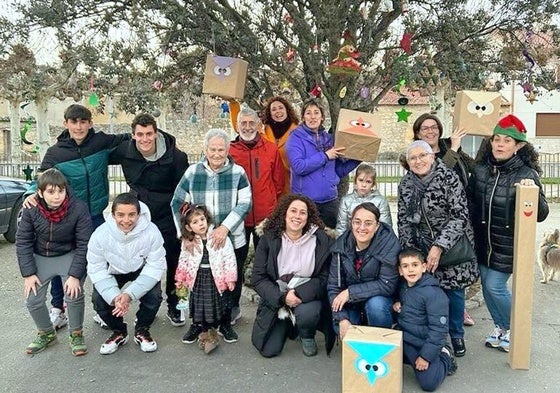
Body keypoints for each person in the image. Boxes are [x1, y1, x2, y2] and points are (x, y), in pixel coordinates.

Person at [23, 104, 130, 330]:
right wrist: (30, 193)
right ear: (66, 124)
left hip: (95, 215)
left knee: (105, 263)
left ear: (90, 123)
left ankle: (104, 309)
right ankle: (58, 309)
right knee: (60, 263)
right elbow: (43, 178)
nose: (79, 127)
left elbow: (128, 138)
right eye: (74, 122)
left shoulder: (101, 142)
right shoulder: (56, 153)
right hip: (67, 218)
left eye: (83, 122)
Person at [469, 114, 548, 353]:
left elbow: (541, 213)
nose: (500, 144)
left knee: (495, 286)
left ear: (519, 146)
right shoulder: (481, 170)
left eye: (507, 141)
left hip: (508, 245)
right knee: (486, 285)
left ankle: (516, 329)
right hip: (483, 243)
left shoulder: (526, 174)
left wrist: (530, 193)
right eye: (497, 139)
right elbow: (471, 203)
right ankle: (501, 328)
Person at [398, 140, 479, 358]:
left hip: (452, 246)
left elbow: (459, 216)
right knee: (430, 294)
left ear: (432, 156)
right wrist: (410, 253)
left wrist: (439, 246)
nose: (418, 161)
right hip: (422, 247)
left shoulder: (448, 178)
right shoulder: (406, 184)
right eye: (413, 158)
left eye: (422, 156)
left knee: (453, 293)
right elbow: (404, 220)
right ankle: (438, 340)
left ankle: (456, 334)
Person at [171, 129, 251, 341]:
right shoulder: (192, 172)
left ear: (228, 150)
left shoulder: (238, 173)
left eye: (221, 149)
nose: (217, 154)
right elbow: (177, 203)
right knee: (199, 283)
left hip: (231, 239)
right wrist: (184, 235)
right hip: (199, 242)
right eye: (212, 149)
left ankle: (225, 322)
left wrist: (225, 228)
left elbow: (245, 203)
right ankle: (199, 323)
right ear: (205, 150)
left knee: (228, 282)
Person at [110, 113, 190, 327]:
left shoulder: (177, 157)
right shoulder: (124, 152)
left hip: (168, 215)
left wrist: (185, 224)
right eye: (140, 135)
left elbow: (184, 192)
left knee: (176, 263)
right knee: (141, 262)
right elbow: (93, 149)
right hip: (139, 217)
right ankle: (149, 306)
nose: (144, 139)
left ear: (156, 133)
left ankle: (176, 305)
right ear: (133, 135)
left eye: (148, 134)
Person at [16, 168, 92, 356]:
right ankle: (47, 334)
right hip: (41, 256)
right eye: (51, 192)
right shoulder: (31, 209)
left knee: (73, 293)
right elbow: (23, 241)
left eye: (60, 191)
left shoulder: (78, 208)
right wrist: (28, 274)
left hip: (69, 253)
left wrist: (75, 275)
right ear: (40, 193)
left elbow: (84, 244)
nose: (57, 196)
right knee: (33, 299)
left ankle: (76, 333)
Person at [251, 194, 335, 358]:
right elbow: (258, 278)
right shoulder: (269, 238)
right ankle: (290, 325)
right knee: (269, 350)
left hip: (307, 294)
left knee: (307, 313)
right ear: (284, 213)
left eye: (302, 212)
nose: (297, 216)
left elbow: (325, 278)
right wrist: (282, 297)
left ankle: (307, 334)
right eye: (293, 211)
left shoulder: (321, 240)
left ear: (308, 217)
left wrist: (298, 293)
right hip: (279, 294)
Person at [413, 113, 476, 327]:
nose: (431, 131)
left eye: (434, 127)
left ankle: (457, 320)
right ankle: (437, 324)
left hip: (455, 225)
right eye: (425, 128)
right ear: (417, 133)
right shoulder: (416, 154)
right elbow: (436, 177)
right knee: (433, 276)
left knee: (455, 275)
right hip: (428, 228)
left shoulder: (451, 149)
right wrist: (453, 150)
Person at [87, 193, 166, 355]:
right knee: (99, 299)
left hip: (141, 268)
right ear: (113, 214)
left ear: (139, 214)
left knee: (154, 295)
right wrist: (115, 297)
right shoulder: (100, 234)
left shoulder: (152, 232)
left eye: (132, 214)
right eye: (120, 215)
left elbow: (155, 266)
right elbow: (96, 268)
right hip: (114, 270)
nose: (126, 220)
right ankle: (119, 332)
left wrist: (129, 295)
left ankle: (142, 329)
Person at [329, 202, 400, 339]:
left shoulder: (389, 244)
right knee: (341, 326)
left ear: (377, 225)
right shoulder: (341, 246)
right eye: (357, 222)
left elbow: (387, 284)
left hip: (381, 300)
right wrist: (342, 318)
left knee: (376, 306)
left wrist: (351, 292)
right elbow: (333, 287)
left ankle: (382, 340)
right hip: (353, 303)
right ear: (351, 223)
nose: (362, 228)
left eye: (368, 223)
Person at [286, 99, 360, 228]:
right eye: (308, 113)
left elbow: (338, 171)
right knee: (307, 242)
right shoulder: (295, 138)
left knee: (329, 241)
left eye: (316, 112)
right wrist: (325, 156)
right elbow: (299, 167)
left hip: (330, 202)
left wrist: (358, 158)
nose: (312, 116)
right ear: (303, 116)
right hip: (305, 202)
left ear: (322, 117)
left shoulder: (329, 139)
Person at [175, 204, 237, 354]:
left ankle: (224, 325)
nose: (201, 223)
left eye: (202, 219)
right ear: (189, 227)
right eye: (195, 222)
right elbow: (183, 260)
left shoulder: (219, 237)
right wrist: (181, 278)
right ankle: (198, 326)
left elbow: (229, 258)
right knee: (199, 303)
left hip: (217, 277)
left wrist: (230, 278)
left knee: (221, 302)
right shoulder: (189, 241)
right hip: (197, 278)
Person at [393, 249, 457, 392]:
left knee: (429, 383)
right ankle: (409, 357)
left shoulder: (434, 294)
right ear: (400, 270)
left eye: (415, 265)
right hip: (405, 337)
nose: (410, 270)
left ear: (423, 267)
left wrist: (426, 356)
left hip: (424, 342)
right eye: (405, 266)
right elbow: (405, 300)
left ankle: (445, 355)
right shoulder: (403, 286)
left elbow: (439, 330)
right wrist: (397, 302)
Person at [229, 107, 285, 251]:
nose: (247, 127)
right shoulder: (230, 151)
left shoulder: (271, 149)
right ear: (237, 125)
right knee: (237, 258)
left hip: (265, 216)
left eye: (251, 123)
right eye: (243, 123)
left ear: (258, 125)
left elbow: (278, 182)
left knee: (267, 257)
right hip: (239, 215)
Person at [229, 96, 299, 193]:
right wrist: (233, 104)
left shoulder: (298, 132)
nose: (278, 111)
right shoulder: (263, 130)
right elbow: (241, 128)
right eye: (273, 109)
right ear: (269, 113)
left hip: (291, 182)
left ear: (287, 110)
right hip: (268, 183)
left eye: (281, 108)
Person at [335, 163, 392, 236]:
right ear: (355, 181)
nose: (364, 185)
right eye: (361, 180)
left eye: (368, 182)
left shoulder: (381, 201)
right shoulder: (346, 201)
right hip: (351, 242)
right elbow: (341, 228)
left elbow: (385, 228)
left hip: (375, 242)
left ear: (373, 184)